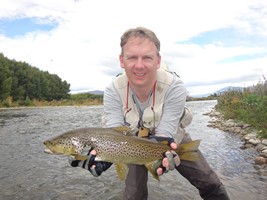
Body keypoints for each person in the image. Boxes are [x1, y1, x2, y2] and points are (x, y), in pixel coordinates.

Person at [69, 27, 230, 200]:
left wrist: (163, 154)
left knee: (210, 183)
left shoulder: (174, 86)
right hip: (131, 143)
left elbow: (166, 135)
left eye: (147, 57)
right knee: (133, 196)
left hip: (171, 139)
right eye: (132, 57)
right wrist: (104, 157)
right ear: (122, 61)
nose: (139, 65)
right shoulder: (112, 91)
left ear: (158, 60)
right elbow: (113, 133)